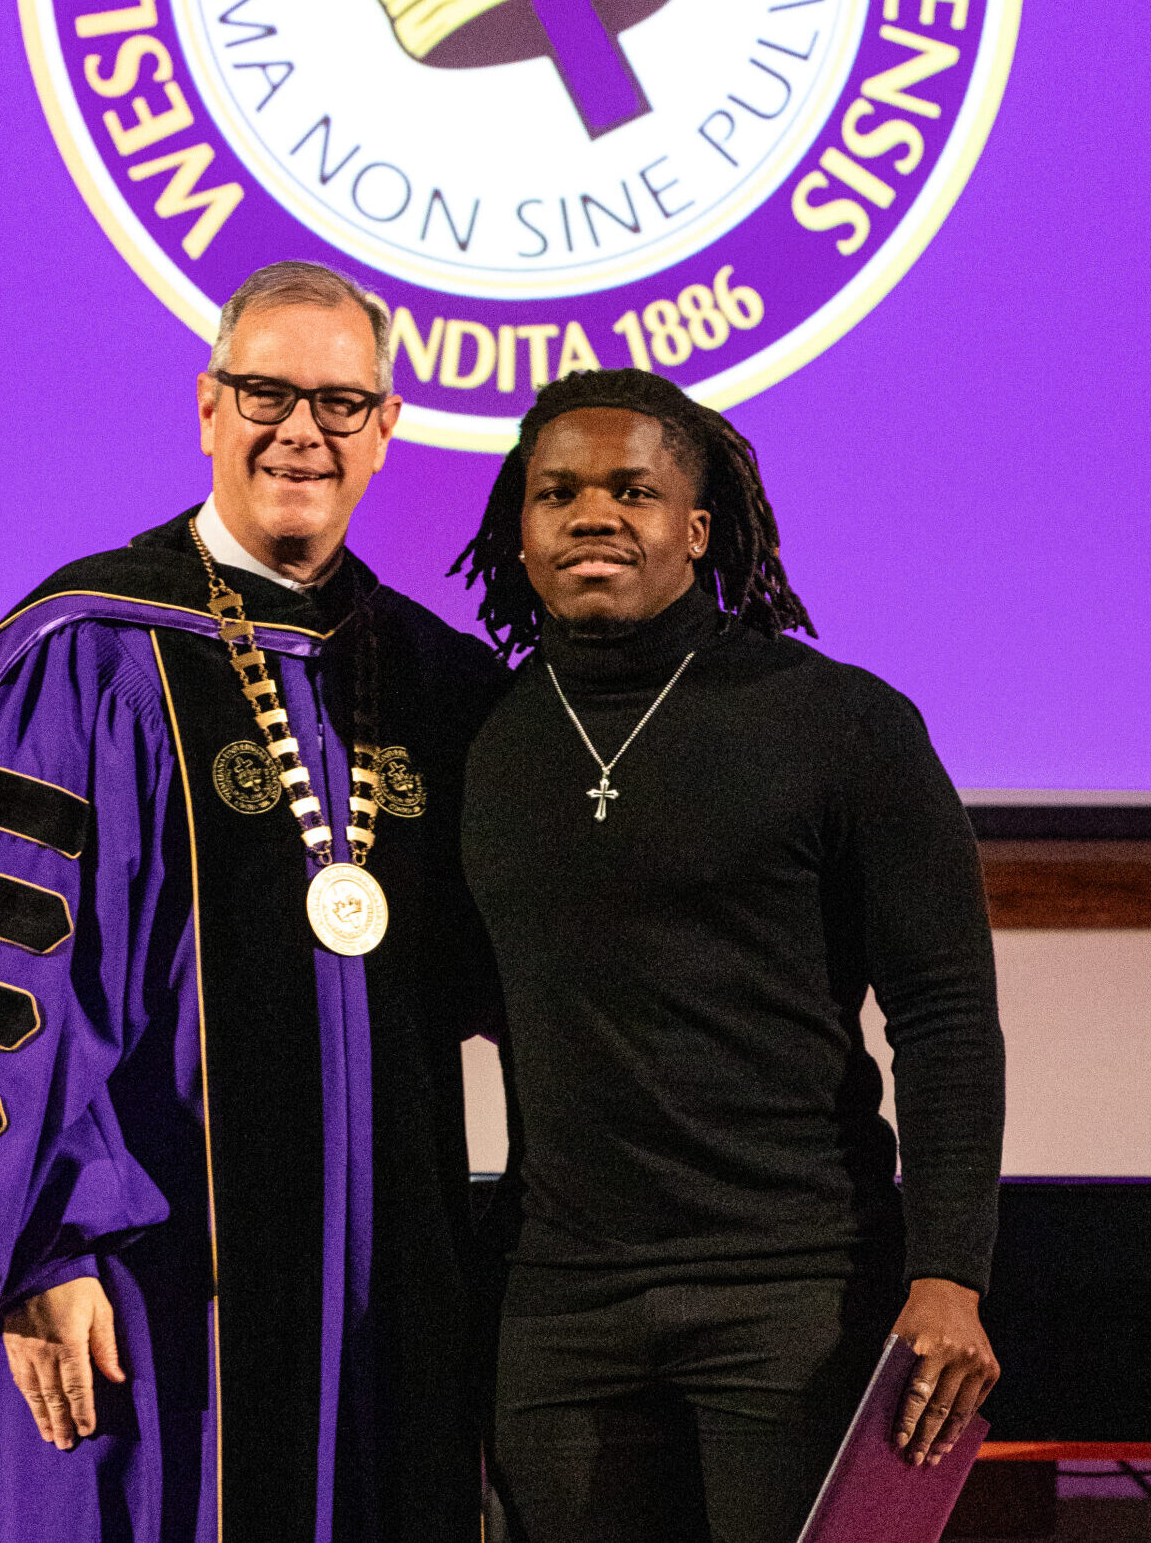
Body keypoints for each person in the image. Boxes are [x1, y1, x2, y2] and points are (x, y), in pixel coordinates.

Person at [0, 261, 504, 1543]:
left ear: (387, 429)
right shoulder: (83, 657)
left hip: (387, 1288)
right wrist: (34, 1252)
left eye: (338, 401)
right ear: (208, 406)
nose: (299, 430)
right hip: (142, 1274)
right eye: (266, 392)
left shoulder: (437, 682)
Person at [452, 369, 1005, 1543]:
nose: (593, 514)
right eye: (557, 492)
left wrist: (949, 1271)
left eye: (632, 489)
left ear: (696, 531)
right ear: (521, 527)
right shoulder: (481, 744)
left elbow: (944, 1010)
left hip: (794, 1291)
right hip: (562, 1304)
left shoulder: (838, 721)